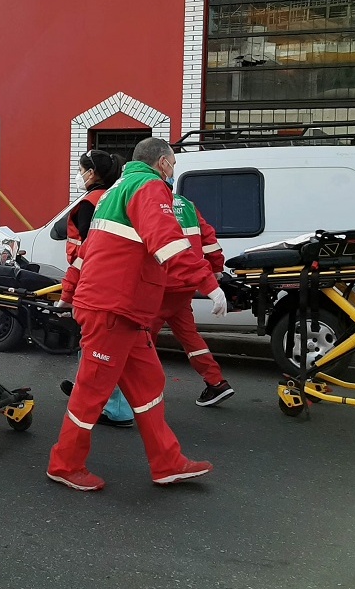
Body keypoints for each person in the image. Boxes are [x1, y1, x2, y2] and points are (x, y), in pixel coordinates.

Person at [47, 137, 227, 491]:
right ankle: (65, 464)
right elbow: (167, 241)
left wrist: (70, 294)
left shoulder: (115, 192)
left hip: (120, 308)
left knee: (148, 386)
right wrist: (208, 282)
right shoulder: (149, 187)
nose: (173, 172)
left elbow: (87, 253)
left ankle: (167, 462)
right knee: (91, 392)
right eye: (173, 164)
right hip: (114, 308)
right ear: (162, 163)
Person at [57, 150, 135, 428]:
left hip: (95, 281)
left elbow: (88, 248)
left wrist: (69, 291)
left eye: (80, 169)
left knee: (99, 346)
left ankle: (109, 407)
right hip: (120, 282)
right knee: (116, 347)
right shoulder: (117, 197)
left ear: (91, 173)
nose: (79, 175)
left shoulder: (91, 202)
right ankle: (94, 394)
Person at [153, 191, 234, 407]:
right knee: (190, 337)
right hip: (186, 284)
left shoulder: (150, 201)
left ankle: (136, 391)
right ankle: (216, 382)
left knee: (139, 340)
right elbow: (209, 240)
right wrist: (216, 268)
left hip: (161, 283)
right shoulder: (187, 204)